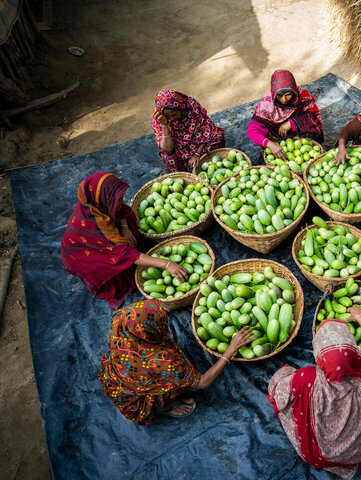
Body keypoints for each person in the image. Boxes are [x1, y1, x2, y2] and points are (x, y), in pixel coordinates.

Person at [268, 306, 361, 479]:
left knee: (285, 377)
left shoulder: (307, 378)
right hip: (359, 451)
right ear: (353, 351)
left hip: (313, 454)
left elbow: (277, 394)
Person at [100, 300, 254, 424]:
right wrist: (230, 350)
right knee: (178, 386)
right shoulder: (162, 364)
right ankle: (165, 406)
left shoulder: (121, 319)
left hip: (116, 376)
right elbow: (203, 382)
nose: (165, 325)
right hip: (137, 398)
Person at [61, 173, 188, 309]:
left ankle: (137, 254)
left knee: (129, 218)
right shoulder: (97, 224)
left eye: (121, 198)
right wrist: (167, 264)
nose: (122, 202)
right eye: (119, 199)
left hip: (107, 241)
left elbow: (120, 210)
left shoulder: (98, 203)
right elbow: (124, 254)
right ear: (105, 199)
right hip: (84, 257)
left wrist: (124, 226)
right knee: (120, 272)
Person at [247, 69, 323, 161]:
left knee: (313, 131)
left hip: (297, 131)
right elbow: (252, 131)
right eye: (279, 96)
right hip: (277, 134)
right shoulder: (267, 105)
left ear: (294, 91)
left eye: (288, 94)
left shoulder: (302, 96)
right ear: (274, 93)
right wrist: (270, 144)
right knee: (265, 140)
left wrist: (292, 123)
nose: (284, 99)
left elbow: (314, 116)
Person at [151, 89, 225, 173]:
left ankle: (204, 161)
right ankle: (185, 173)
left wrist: (197, 154)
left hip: (198, 144)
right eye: (167, 117)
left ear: (180, 107)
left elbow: (206, 129)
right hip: (179, 152)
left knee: (217, 136)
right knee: (168, 157)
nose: (171, 119)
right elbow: (168, 150)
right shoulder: (158, 119)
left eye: (174, 114)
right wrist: (164, 125)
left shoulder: (191, 106)